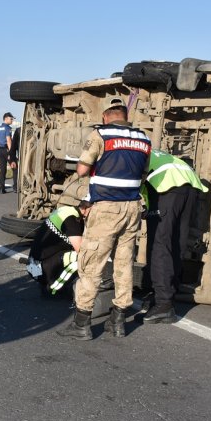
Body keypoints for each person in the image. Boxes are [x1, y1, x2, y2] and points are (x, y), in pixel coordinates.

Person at [58, 104, 151, 340]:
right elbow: (142, 174)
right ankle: (118, 322)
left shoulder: (100, 135)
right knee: (123, 264)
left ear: (105, 117)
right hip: (132, 208)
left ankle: (81, 324)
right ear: (126, 118)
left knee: (91, 264)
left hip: (106, 209)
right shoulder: (143, 139)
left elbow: (81, 170)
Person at [139, 150, 208, 323]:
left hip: (167, 186)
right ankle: (168, 294)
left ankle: (163, 304)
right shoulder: (148, 149)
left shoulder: (121, 152)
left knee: (159, 245)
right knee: (176, 242)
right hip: (189, 183)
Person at [27, 200, 91, 296]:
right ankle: (53, 287)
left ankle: (49, 280)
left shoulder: (66, 210)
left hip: (34, 266)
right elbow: (80, 250)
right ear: (86, 208)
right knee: (81, 257)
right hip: (39, 271)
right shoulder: (71, 220)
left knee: (72, 253)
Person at [0, 112, 14, 193]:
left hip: (0, 150)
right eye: (11, 119)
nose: (12, 120)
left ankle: (1, 187)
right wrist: (11, 152)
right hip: (7, 149)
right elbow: (9, 140)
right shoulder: (7, 128)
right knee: (15, 167)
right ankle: (16, 187)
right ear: (6, 118)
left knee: (2, 169)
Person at [8, 126, 20, 193]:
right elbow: (13, 147)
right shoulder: (19, 131)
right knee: (16, 171)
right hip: (22, 158)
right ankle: (15, 186)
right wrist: (12, 160)